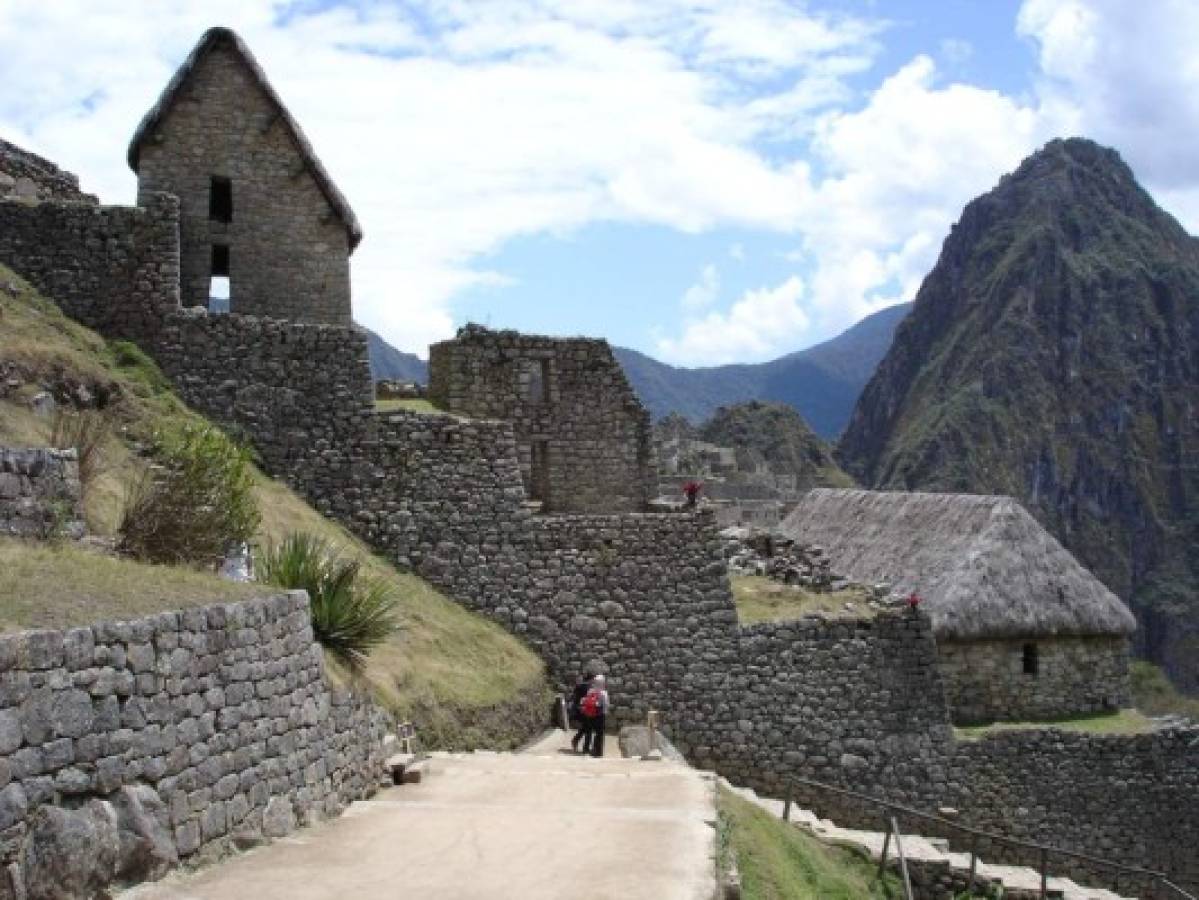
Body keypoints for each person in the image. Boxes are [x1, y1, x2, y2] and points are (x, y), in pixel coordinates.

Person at [569, 671, 595, 753]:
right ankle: (585, 748)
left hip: (578, 710)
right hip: (583, 710)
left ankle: (575, 740)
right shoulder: (587, 688)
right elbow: (586, 700)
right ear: (591, 679)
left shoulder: (580, 686)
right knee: (589, 729)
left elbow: (575, 698)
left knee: (585, 728)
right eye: (593, 679)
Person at [587, 674, 610, 758]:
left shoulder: (591, 691)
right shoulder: (604, 693)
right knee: (600, 734)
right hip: (601, 715)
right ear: (603, 683)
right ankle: (599, 752)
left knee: (595, 733)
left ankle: (593, 749)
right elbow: (606, 705)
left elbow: (587, 700)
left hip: (592, 714)